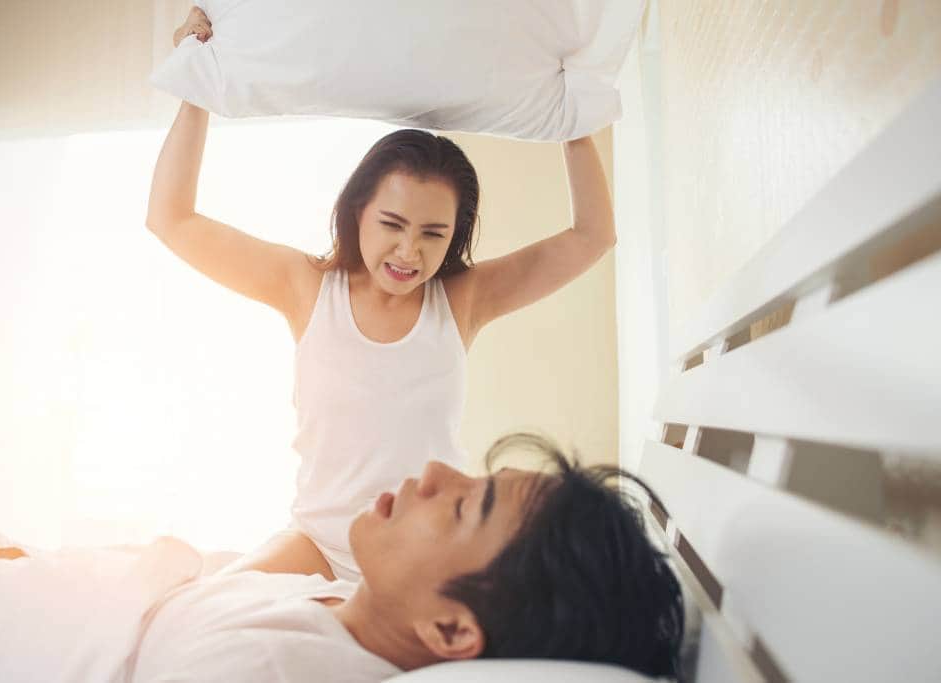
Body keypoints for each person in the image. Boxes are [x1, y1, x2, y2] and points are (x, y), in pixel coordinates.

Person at [146, 7, 617, 582]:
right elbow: (171, 218)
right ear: (357, 214)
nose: (408, 252)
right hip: (318, 546)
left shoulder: (463, 299)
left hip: (427, 556)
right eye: (392, 224)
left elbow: (592, 236)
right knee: (214, 606)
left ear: (455, 236)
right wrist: (195, 86)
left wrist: (571, 117)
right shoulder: (306, 286)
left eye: (433, 234)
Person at [0, 434, 683, 682]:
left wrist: (11, 606)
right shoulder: (347, 605)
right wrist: (36, 569)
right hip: (1, 583)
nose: (432, 473)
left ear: (452, 630)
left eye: (462, 506)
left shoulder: (269, 670)